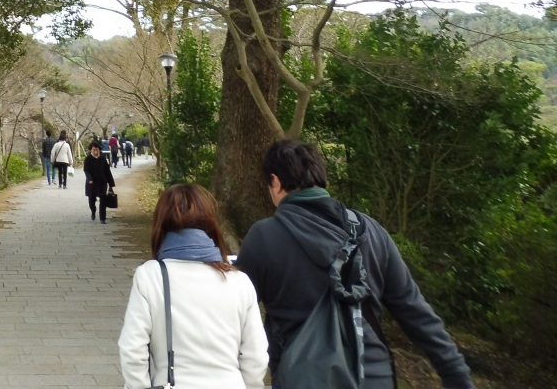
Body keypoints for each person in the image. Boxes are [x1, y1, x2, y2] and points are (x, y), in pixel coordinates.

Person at [237, 140, 474, 389]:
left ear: (275, 181)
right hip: (373, 378)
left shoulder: (264, 237)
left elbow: (236, 314)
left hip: (303, 378)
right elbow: (415, 311)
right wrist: (457, 377)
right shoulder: (371, 231)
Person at [119, 184, 267, 389]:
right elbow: (256, 356)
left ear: (160, 224)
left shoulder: (150, 276)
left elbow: (132, 350)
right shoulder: (240, 281)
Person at [83, 139, 115, 222]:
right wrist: (89, 179)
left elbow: (107, 171)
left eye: (97, 150)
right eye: (93, 150)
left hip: (102, 182)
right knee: (91, 200)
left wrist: (111, 184)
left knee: (103, 199)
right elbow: (86, 170)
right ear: (91, 150)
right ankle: (93, 211)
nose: (95, 152)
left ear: (99, 150)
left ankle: (102, 218)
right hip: (92, 183)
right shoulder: (88, 159)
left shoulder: (103, 159)